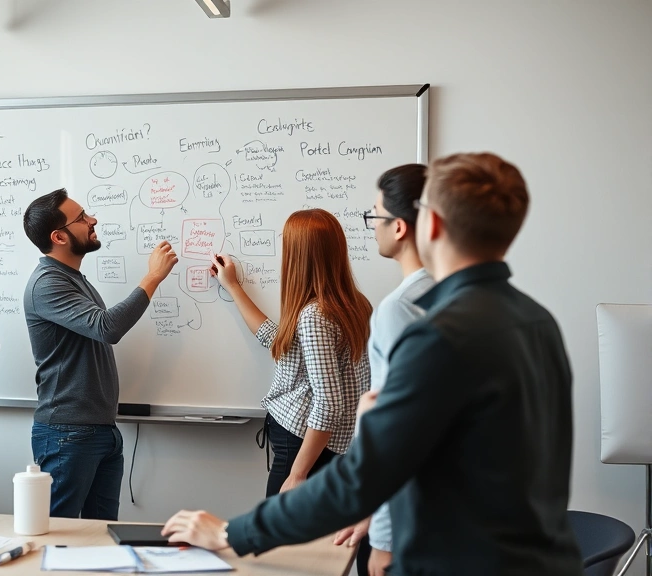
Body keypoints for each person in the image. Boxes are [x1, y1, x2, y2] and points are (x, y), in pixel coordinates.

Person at [163, 152, 584, 576]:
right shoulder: (538, 321)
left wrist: (233, 533)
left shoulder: (436, 335)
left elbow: (363, 476)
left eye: (376, 216)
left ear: (424, 225)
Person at [22, 188, 177, 520]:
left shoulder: (74, 279)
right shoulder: (47, 284)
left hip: (100, 430)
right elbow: (108, 328)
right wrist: (153, 276)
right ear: (59, 236)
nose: (92, 220)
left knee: (101, 534)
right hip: (67, 433)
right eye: (81, 218)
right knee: (58, 534)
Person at [211, 208, 371, 497]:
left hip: (303, 446)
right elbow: (280, 341)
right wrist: (233, 286)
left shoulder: (315, 316)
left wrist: (298, 475)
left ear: (299, 255)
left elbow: (329, 403)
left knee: (277, 536)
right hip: (327, 447)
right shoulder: (356, 305)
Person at [333, 164, 435, 576]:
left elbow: (398, 431)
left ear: (399, 227)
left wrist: (385, 538)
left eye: (375, 214)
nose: (371, 225)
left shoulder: (400, 308)